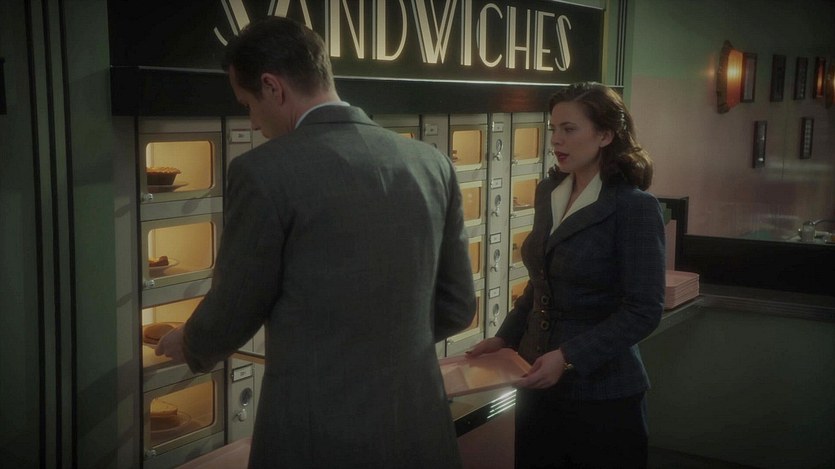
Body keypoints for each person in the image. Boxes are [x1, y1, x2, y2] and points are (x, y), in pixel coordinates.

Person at [155, 16, 476, 469]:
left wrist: (190, 342)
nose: (253, 122)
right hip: (419, 425)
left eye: (247, 104)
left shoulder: (263, 172)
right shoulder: (431, 162)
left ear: (272, 87)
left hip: (317, 433)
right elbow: (458, 306)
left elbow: (237, 302)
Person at [469, 82, 665, 469]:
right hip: (536, 381)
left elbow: (644, 309)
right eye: (553, 128)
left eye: (569, 129)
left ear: (605, 135)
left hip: (602, 393)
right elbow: (541, 284)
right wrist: (504, 339)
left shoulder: (634, 207)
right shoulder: (550, 191)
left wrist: (569, 357)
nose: (556, 140)